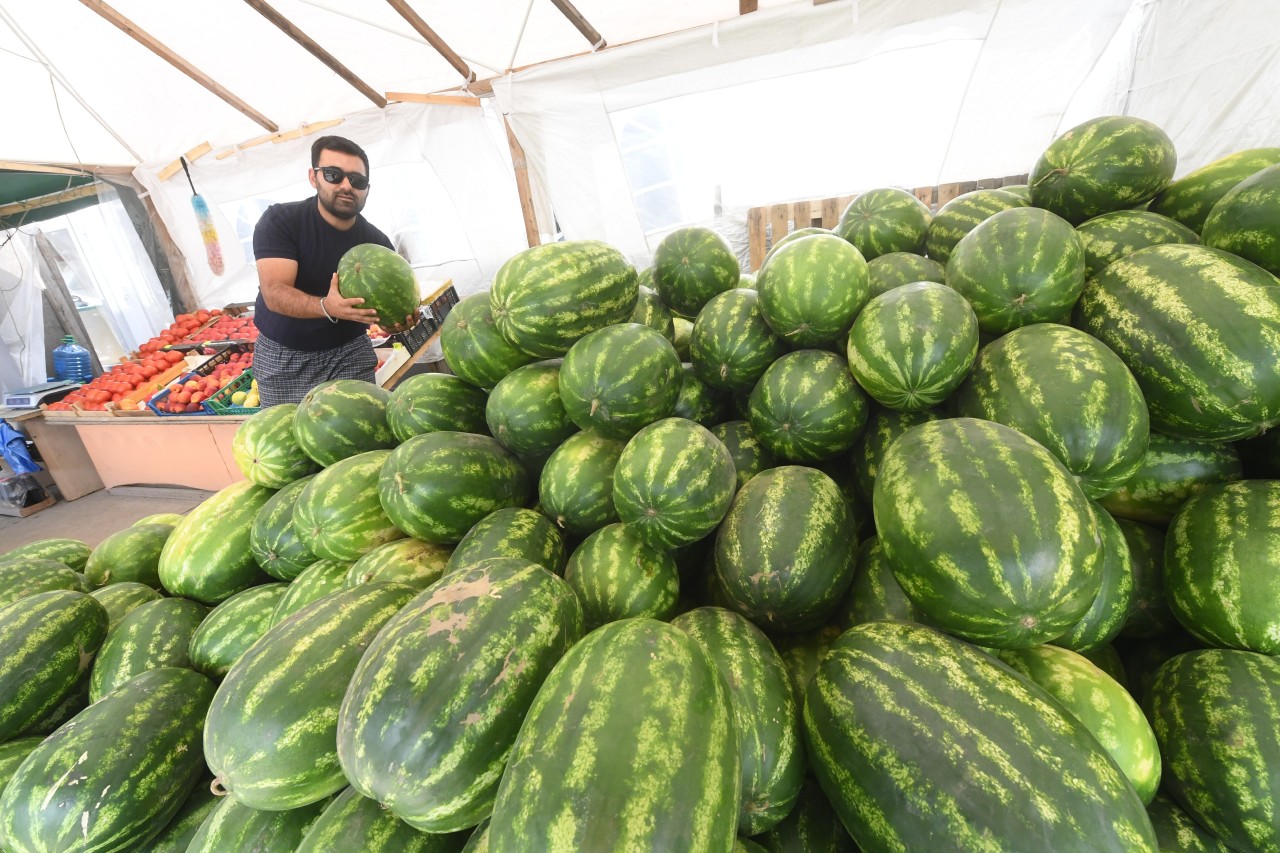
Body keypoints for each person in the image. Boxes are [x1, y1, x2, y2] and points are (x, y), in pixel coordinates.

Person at [251, 135, 412, 407]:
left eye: (357, 180)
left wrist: (394, 321)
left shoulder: (378, 244)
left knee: (359, 436)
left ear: (367, 189)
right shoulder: (281, 222)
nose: (347, 185)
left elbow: (382, 313)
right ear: (314, 178)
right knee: (289, 441)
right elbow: (274, 293)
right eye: (333, 175)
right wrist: (327, 307)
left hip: (349, 353)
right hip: (283, 358)